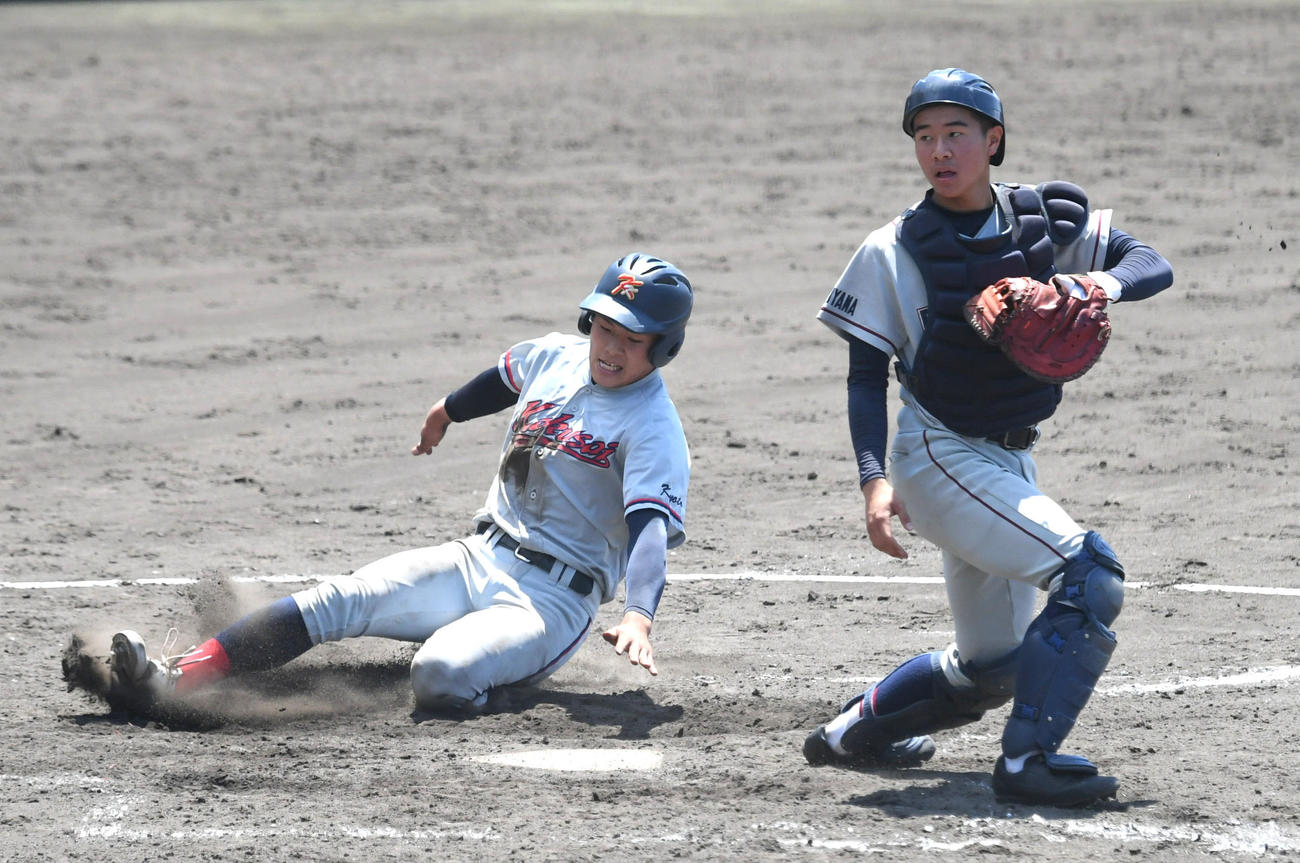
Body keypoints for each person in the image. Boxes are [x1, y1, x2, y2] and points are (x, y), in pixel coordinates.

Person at [803, 69, 1173, 807]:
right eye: (924, 137)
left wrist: (1093, 286)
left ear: (993, 140)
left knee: (995, 664)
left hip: (1008, 459)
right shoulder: (892, 249)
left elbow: (1149, 263)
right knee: (1090, 576)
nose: (939, 151)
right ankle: (1027, 761)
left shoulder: (1042, 221)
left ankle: (853, 733)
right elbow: (861, 377)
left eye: (956, 134)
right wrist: (874, 479)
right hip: (937, 456)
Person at [108, 252, 694, 717]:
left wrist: (640, 615)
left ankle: (492, 679)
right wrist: (446, 411)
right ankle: (176, 678)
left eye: (632, 337)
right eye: (605, 326)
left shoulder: (653, 429)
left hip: (550, 602)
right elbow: (504, 380)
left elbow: (648, 532)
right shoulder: (557, 357)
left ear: (663, 347)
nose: (611, 346)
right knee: (336, 600)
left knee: (438, 674)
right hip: (476, 557)